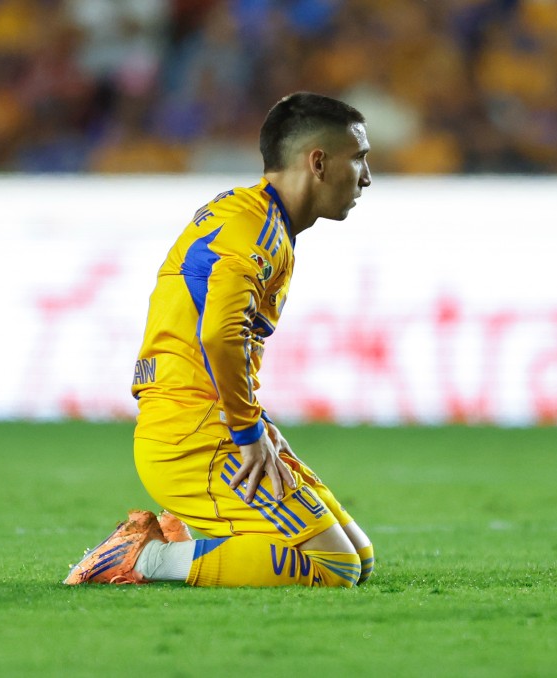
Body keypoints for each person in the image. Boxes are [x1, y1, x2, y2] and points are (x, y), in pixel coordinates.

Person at [64, 92, 375, 588]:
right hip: (193, 435)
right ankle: (143, 558)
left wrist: (258, 423)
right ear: (318, 162)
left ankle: (176, 540)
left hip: (197, 419)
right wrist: (248, 429)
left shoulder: (250, 215)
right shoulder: (255, 231)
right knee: (335, 567)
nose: (366, 177)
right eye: (358, 158)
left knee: (360, 556)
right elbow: (220, 333)